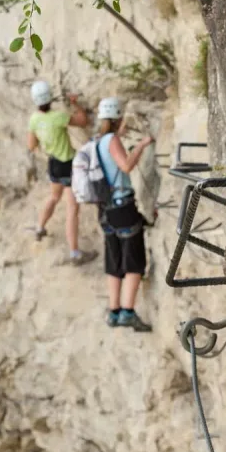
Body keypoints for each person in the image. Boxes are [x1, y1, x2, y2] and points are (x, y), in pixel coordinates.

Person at [95, 97, 154, 332]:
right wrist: (141, 145)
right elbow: (126, 166)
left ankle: (114, 311)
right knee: (134, 260)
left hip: (106, 210)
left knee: (114, 259)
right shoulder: (111, 140)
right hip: (123, 208)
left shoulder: (98, 141)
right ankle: (128, 312)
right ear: (118, 117)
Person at [27, 80, 98, 266]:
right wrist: (75, 104)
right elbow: (83, 121)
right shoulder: (58, 116)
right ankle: (75, 253)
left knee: (53, 197)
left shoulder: (34, 119)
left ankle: (40, 227)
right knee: (72, 209)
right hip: (67, 164)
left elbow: (31, 145)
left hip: (53, 163)